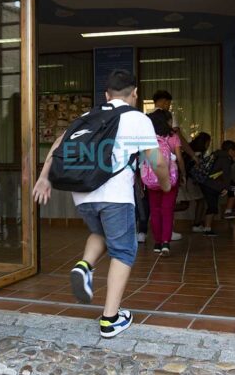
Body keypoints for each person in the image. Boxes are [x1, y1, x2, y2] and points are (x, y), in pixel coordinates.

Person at [33, 70, 170, 338]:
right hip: (115, 195)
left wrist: (43, 177)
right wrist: (165, 185)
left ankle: (84, 266)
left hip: (82, 194)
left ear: (106, 95)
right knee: (123, 251)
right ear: (135, 94)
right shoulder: (137, 119)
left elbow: (58, 145)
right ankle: (110, 319)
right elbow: (158, 161)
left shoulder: (86, 116)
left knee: (101, 233)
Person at [143, 109, 185, 255]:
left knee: (155, 211)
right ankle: (166, 242)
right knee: (167, 211)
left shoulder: (148, 138)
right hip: (170, 179)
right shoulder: (173, 136)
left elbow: (142, 159)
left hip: (151, 179)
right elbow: (179, 158)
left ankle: (157, 242)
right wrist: (183, 174)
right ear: (167, 121)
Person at [199, 140, 235, 235]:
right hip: (212, 184)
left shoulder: (216, 154)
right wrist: (226, 188)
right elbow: (227, 175)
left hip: (206, 183)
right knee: (234, 189)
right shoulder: (225, 158)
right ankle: (228, 212)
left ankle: (207, 228)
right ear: (230, 150)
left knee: (212, 206)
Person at [182, 132, 212, 233]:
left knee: (184, 204)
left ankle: (164, 211)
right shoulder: (197, 154)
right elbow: (193, 169)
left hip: (184, 179)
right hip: (191, 181)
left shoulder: (189, 150)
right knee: (201, 201)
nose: (209, 145)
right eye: (208, 142)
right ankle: (197, 224)